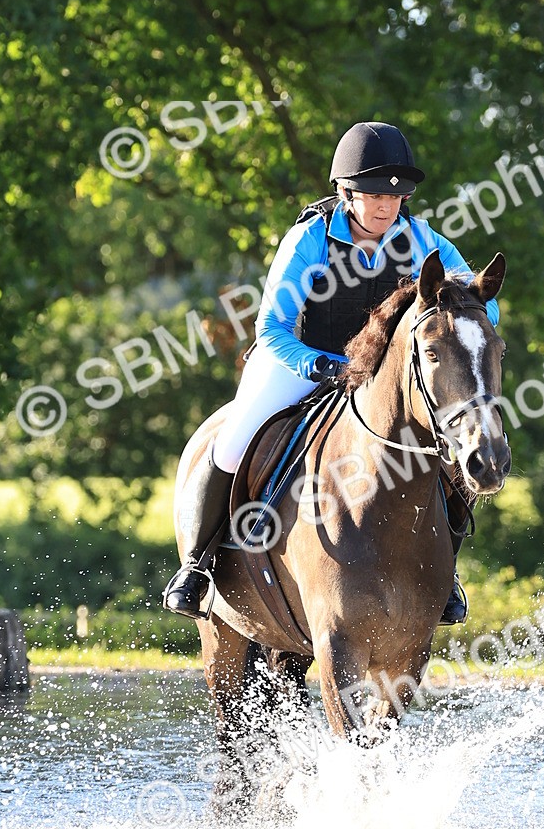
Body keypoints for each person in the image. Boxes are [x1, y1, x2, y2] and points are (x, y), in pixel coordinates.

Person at [163, 121, 500, 622]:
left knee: (446, 449)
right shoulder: (311, 239)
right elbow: (271, 326)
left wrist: (468, 318)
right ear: (346, 191)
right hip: (301, 360)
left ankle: (443, 575)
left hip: (383, 375)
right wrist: (320, 363)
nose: (388, 205)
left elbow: (479, 307)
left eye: (398, 195)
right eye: (373, 194)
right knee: (233, 441)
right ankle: (198, 564)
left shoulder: (423, 239)